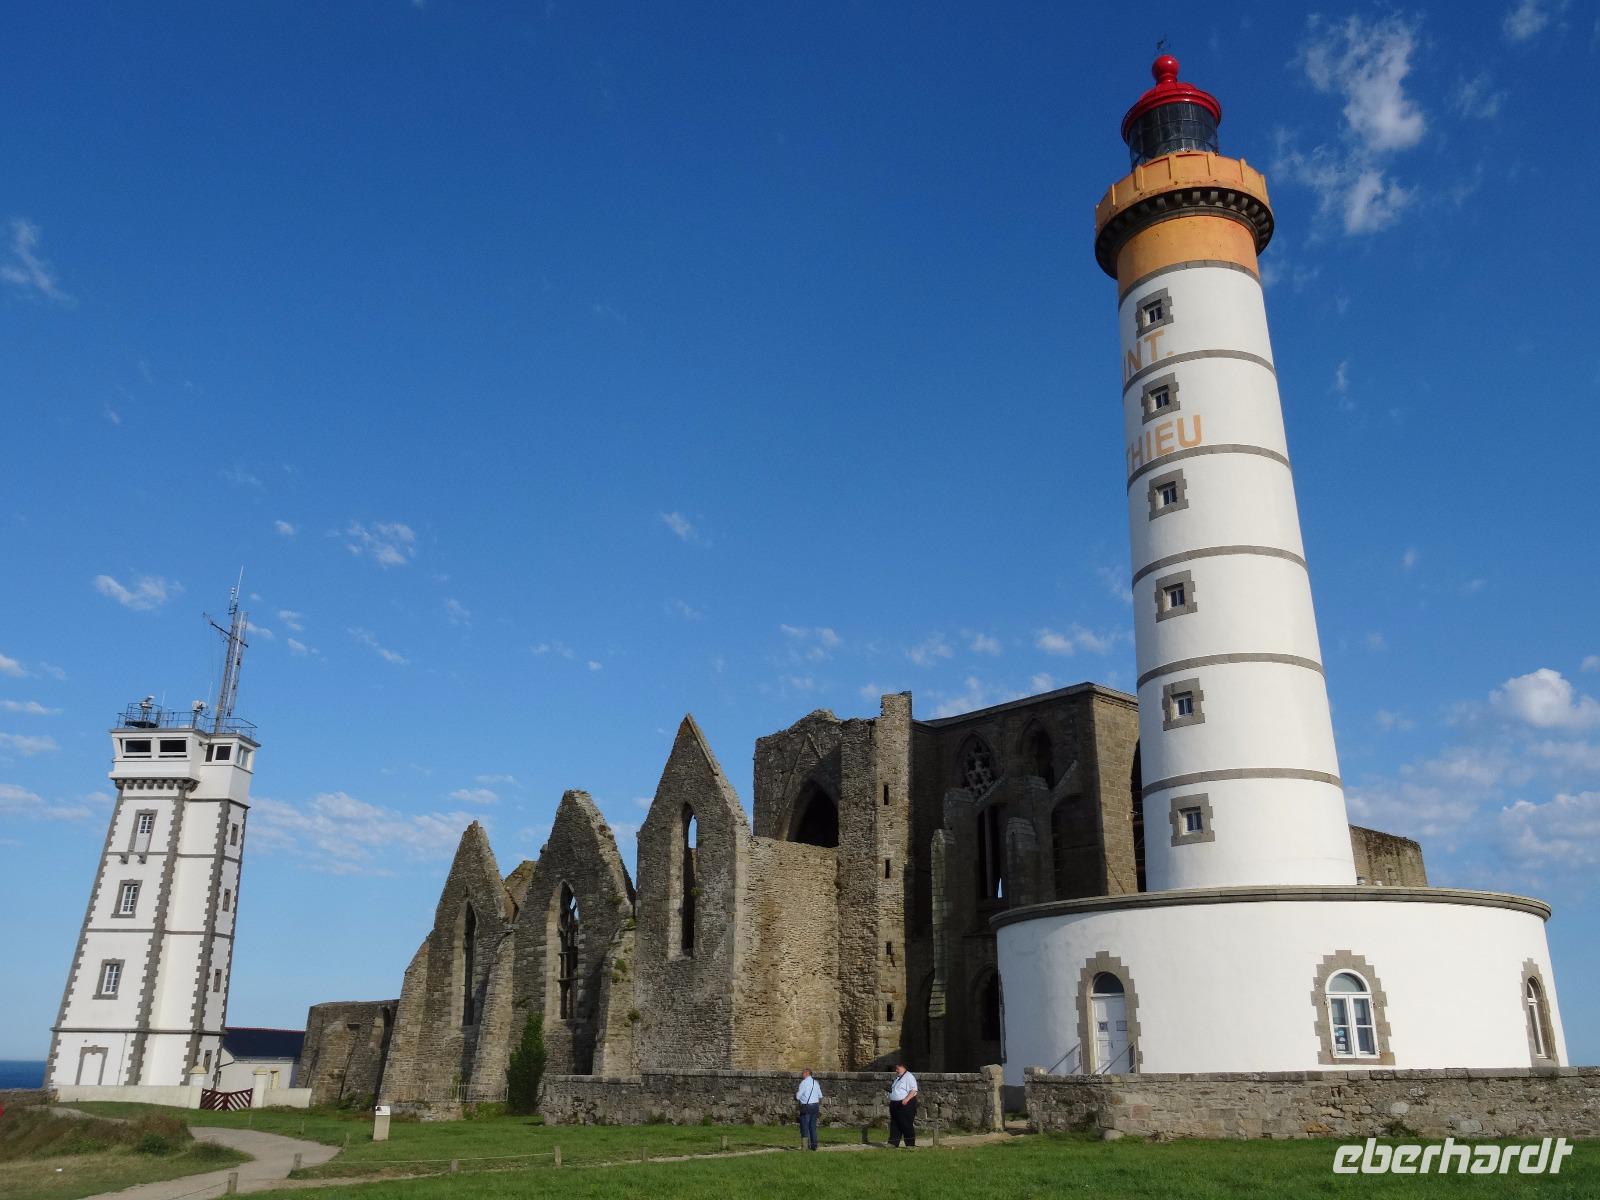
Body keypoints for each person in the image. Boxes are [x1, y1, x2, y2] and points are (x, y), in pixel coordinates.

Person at [886, 1061, 918, 1147]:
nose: (896, 1070)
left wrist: (907, 1099)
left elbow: (914, 1090)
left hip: (905, 1104)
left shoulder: (909, 1077)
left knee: (906, 1124)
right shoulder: (898, 1078)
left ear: (903, 1067)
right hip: (895, 1104)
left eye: (897, 1068)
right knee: (895, 1123)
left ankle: (910, 1144)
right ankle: (893, 1142)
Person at [795, 1068, 822, 1151]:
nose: (802, 1075)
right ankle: (814, 1146)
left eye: (803, 1073)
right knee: (812, 1126)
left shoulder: (804, 1083)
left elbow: (798, 1096)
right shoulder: (816, 1083)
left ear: (807, 1073)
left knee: (804, 1126)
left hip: (806, 1107)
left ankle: (805, 1146)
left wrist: (797, 1095)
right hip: (815, 1106)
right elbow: (820, 1096)